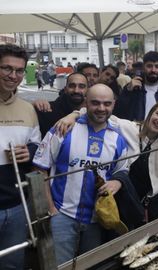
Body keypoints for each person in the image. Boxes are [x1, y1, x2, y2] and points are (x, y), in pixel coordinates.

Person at [33, 84, 130, 265]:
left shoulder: (118, 138)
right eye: (95, 103)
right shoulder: (63, 128)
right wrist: (52, 209)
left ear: (114, 104)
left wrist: (117, 182)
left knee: (90, 265)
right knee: (60, 266)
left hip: (96, 219)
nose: (101, 108)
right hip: (62, 215)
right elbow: (40, 169)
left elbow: (122, 170)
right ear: (85, 102)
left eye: (107, 103)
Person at [57, 100, 158, 223]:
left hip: (153, 204)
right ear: (151, 113)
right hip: (127, 200)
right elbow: (100, 114)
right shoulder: (130, 128)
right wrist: (74, 115)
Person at [0, 44, 41, 270]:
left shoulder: (28, 108)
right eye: (6, 68)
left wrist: (30, 151)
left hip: (17, 206)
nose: (13, 75)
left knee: (12, 265)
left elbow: (36, 144)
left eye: (18, 70)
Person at [114, 51, 158, 121]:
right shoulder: (133, 88)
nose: (153, 70)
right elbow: (118, 112)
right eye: (149, 66)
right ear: (143, 67)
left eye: (157, 66)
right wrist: (128, 92)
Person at [35, 72, 88, 137]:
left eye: (81, 87)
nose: (76, 90)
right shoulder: (49, 110)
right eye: (72, 86)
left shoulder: (93, 112)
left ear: (88, 90)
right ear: (65, 89)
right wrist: (34, 105)